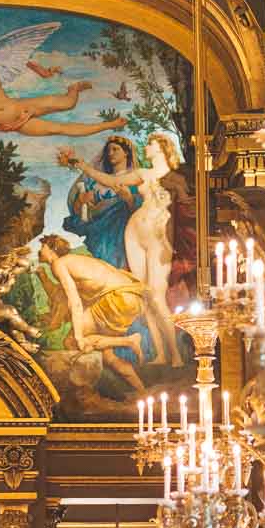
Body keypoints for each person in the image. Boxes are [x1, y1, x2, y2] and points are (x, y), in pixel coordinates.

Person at [60, 130, 185, 366]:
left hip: (158, 236)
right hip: (134, 231)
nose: (145, 149)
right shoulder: (142, 174)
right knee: (143, 295)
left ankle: (176, 355)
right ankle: (159, 355)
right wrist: (82, 165)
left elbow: (186, 207)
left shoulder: (176, 177)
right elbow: (110, 181)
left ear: (160, 147)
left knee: (157, 295)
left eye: (150, 144)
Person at [0, 21, 125, 137]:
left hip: (22, 107)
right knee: (58, 129)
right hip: (14, 123)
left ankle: (74, 88)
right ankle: (110, 124)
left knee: (69, 103)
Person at [38, 235, 164, 394]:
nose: (39, 250)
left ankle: (129, 340)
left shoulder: (59, 263)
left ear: (51, 249)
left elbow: (74, 302)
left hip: (117, 298)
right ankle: (141, 391)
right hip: (131, 298)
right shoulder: (76, 261)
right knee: (109, 357)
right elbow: (61, 295)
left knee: (72, 341)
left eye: (42, 246)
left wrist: (79, 336)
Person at [62, 134, 141, 269]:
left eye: (115, 149)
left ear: (126, 152)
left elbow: (139, 208)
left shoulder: (134, 177)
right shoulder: (96, 182)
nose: (110, 153)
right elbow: (80, 213)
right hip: (99, 234)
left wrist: (128, 199)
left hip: (121, 234)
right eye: (108, 150)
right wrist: (81, 201)